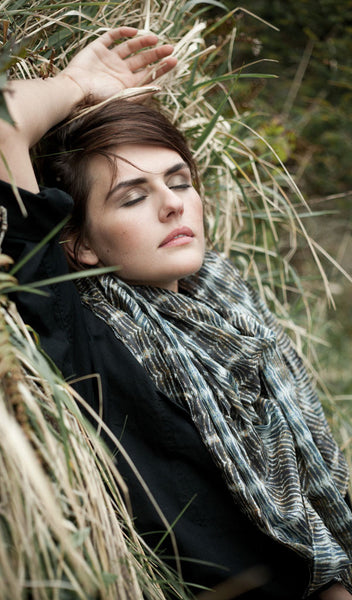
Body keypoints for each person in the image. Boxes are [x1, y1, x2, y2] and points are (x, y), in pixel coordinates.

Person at [1, 27, 352, 600]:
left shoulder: (233, 314)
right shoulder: (75, 323)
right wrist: (76, 84)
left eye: (181, 182)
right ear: (81, 245)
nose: (171, 204)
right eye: (132, 197)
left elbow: (305, 521)